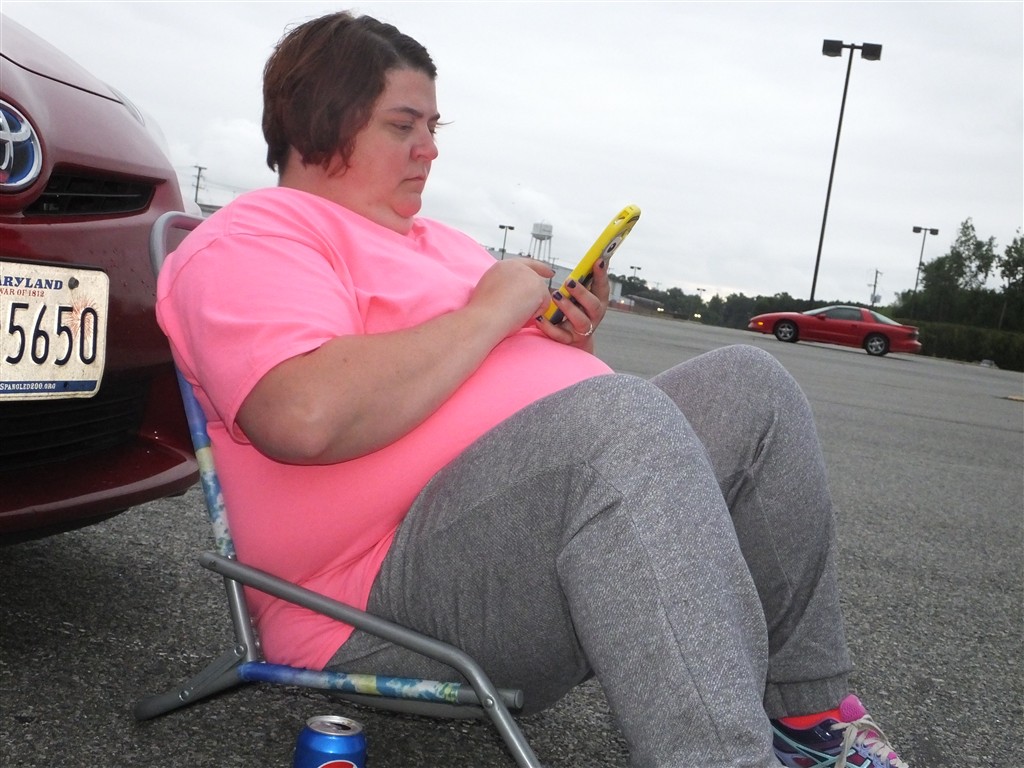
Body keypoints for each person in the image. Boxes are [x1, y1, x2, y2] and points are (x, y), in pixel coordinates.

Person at [156, 11, 909, 768]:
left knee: (752, 387)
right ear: (318, 122)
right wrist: (489, 316)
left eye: (433, 126)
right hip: (368, 600)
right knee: (619, 423)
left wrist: (565, 345)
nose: (429, 148)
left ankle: (808, 718)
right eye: (402, 125)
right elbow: (302, 414)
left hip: (526, 547)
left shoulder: (442, 243)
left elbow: (511, 390)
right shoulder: (257, 236)